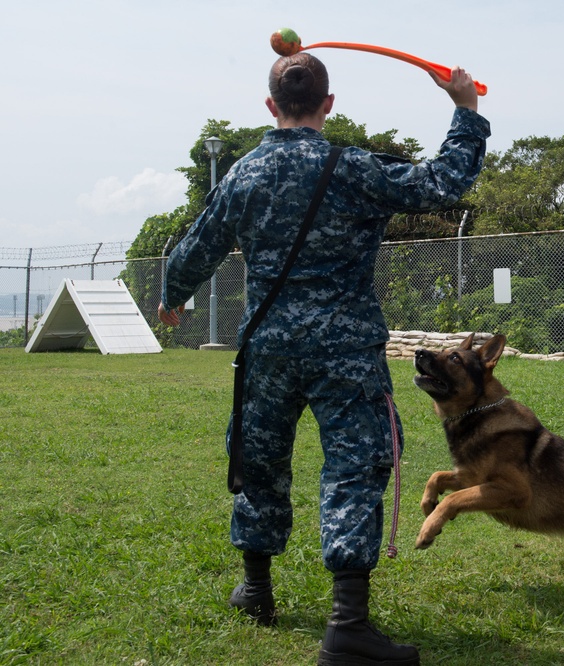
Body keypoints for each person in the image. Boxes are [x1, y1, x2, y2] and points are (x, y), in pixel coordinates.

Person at [158, 51, 489, 666]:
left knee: (258, 459)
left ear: (270, 104)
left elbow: (198, 244)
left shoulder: (243, 173)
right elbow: (441, 182)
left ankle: (255, 590)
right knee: (354, 468)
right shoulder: (353, 167)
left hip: (268, 348)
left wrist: (172, 297)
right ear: (328, 105)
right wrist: (465, 112)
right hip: (345, 350)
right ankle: (347, 624)